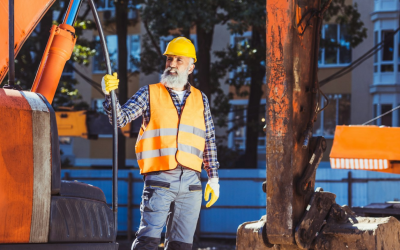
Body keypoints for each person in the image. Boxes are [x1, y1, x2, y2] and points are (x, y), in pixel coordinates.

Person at [102, 37, 220, 250]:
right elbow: (120, 119)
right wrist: (109, 95)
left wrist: (213, 178)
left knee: (182, 245)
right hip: (160, 180)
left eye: (179, 60)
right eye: (169, 59)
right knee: (148, 242)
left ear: (191, 67)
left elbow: (209, 139)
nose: (172, 64)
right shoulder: (149, 93)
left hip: (192, 183)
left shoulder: (201, 99)